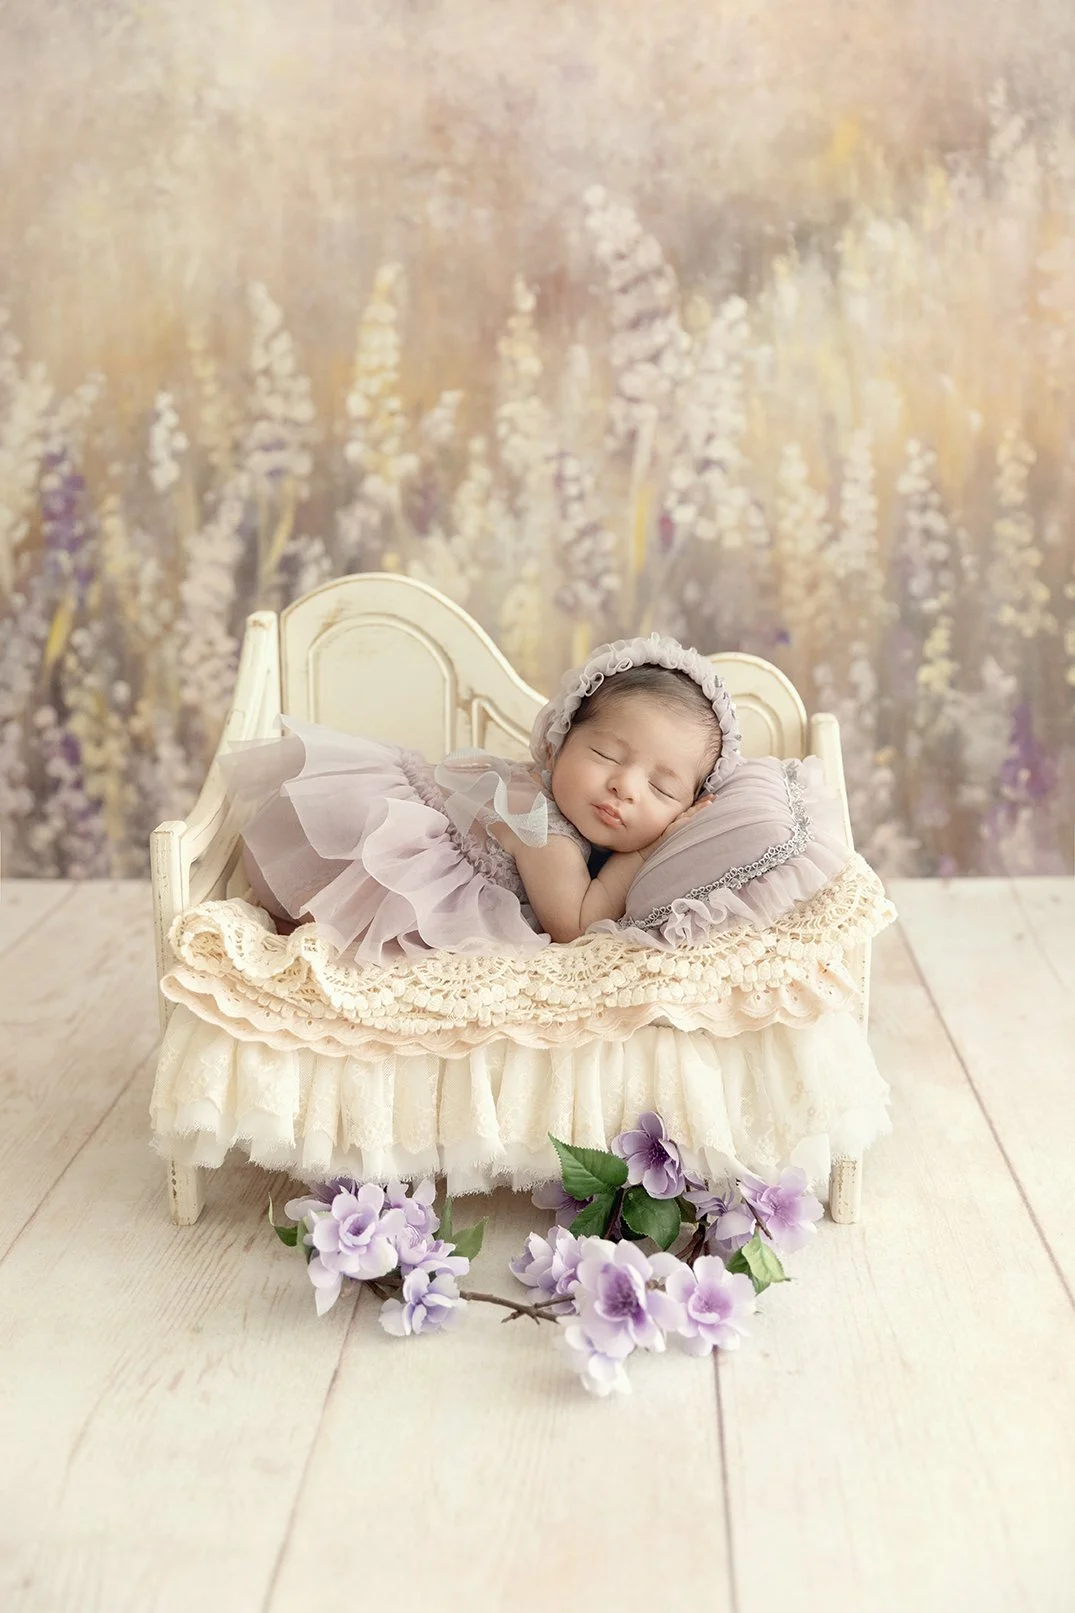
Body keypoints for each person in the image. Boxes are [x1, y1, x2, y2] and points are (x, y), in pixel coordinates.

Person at [217, 633, 741, 965]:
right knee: (357, 926)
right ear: (557, 748)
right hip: (355, 852)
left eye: (661, 788)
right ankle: (299, 924)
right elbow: (577, 927)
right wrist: (645, 853)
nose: (625, 787)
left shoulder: (559, 806)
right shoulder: (544, 828)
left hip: (371, 824)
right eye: (605, 753)